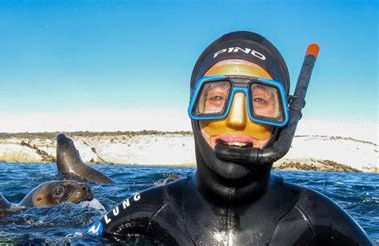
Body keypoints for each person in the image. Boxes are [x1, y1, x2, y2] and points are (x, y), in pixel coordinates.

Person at [86, 31, 373, 245]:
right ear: (193, 110)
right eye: (217, 97)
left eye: (260, 100)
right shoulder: (143, 214)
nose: (237, 119)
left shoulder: (321, 220)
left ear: (284, 119)